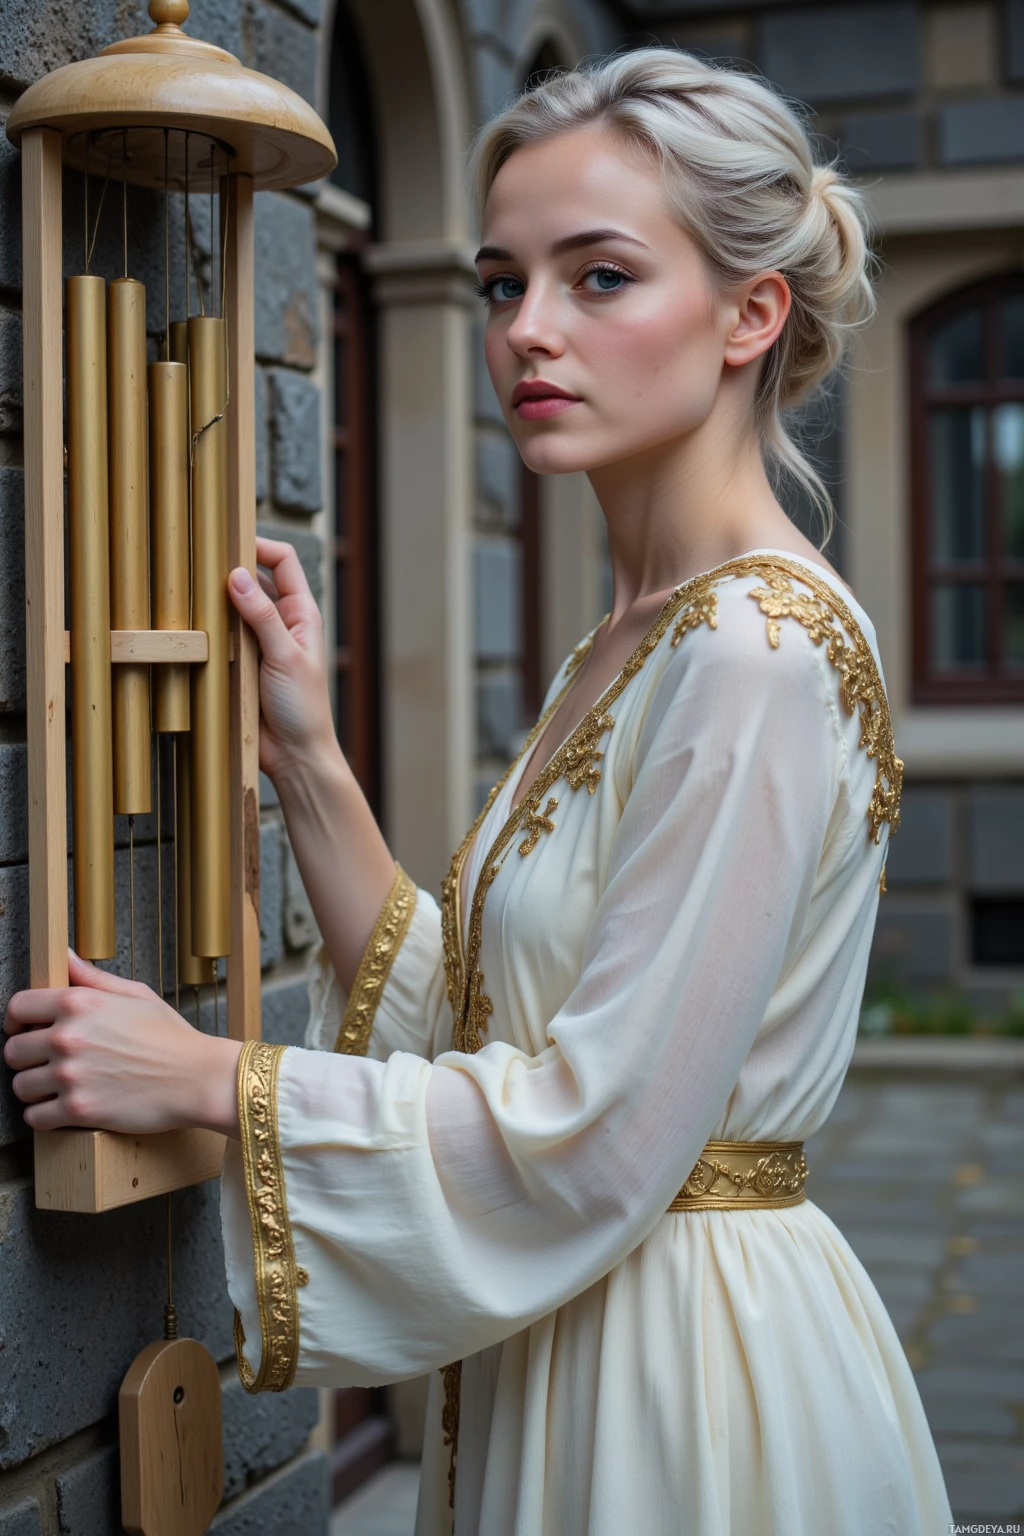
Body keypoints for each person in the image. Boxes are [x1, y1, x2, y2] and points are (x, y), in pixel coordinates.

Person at [4, 48, 952, 1536]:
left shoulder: (757, 650)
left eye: (601, 278)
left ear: (750, 314)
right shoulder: (637, 632)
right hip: (578, 1334)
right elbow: (483, 1014)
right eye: (505, 283)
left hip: (680, 1379)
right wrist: (306, 756)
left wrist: (206, 1079)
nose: (529, 332)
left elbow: (603, 1128)